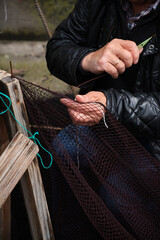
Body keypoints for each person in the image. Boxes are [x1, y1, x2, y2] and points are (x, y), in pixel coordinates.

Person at [46, 0, 160, 238]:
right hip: (102, 125)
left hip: (153, 144)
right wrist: (89, 59)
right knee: (63, 150)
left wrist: (111, 104)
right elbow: (57, 47)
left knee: (119, 197)